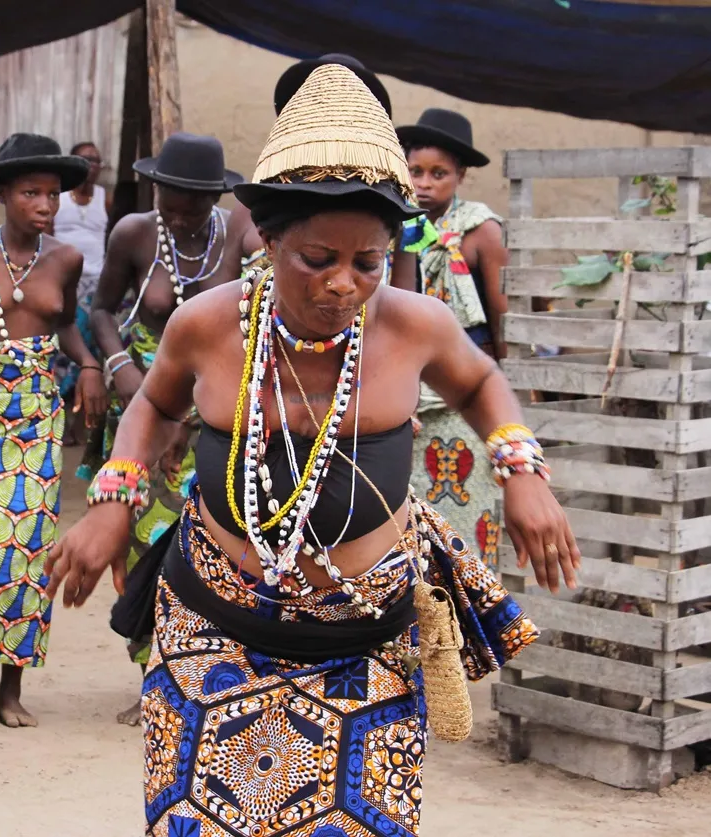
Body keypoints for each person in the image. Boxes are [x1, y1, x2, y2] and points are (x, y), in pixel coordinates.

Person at [45, 64, 573, 837]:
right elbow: (156, 401)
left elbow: (482, 381)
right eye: (317, 259)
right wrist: (114, 500)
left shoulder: (414, 323)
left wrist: (520, 469)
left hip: (365, 639)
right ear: (268, 236)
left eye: (366, 262)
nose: (342, 286)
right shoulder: (209, 323)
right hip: (212, 626)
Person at [0, 134, 106, 733]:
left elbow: (67, 330)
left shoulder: (66, 259)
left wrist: (89, 366)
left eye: (53, 193)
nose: (45, 203)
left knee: (29, 550)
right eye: (31, 192)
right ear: (4, 194)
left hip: (36, 411)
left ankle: (13, 688)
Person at [82, 131, 243, 725]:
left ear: (214, 199)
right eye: (166, 199)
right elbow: (100, 308)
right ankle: (151, 673)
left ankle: (209, 673)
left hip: (220, 405)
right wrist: (118, 367)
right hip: (145, 398)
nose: (176, 214)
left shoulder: (238, 236)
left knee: (215, 538)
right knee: (146, 537)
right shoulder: (134, 232)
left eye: (191, 205)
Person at [398, 108, 509, 568]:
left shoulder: (481, 230)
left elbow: (502, 313)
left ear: (460, 176)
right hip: (407, 394)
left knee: (467, 520)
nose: (425, 183)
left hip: (464, 389)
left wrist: (504, 382)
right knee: (409, 526)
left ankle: (469, 626)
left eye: (438, 174)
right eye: (416, 171)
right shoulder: (396, 228)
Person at [222, 54, 421, 292]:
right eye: (315, 258)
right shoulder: (249, 210)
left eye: (367, 263)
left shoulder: (398, 207)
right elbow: (222, 291)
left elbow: (404, 294)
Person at [52, 141, 111, 445]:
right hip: (66, 283)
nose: (91, 165)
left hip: (95, 285)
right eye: (84, 159)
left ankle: (78, 422)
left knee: (89, 350)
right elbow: (46, 239)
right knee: (64, 352)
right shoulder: (58, 199)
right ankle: (62, 417)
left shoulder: (105, 199)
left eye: (96, 160)